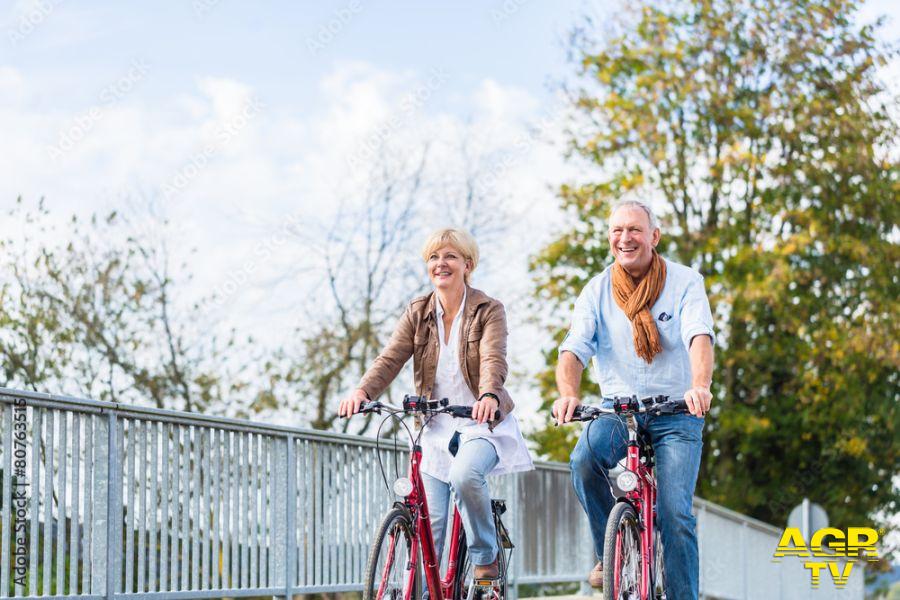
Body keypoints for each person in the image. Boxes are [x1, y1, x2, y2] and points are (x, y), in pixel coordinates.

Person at [339, 228, 533, 578]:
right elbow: (390, 358)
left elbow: (493, 358)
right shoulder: (417, 312)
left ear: (467, 264)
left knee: (465, 476)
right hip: (433, 430)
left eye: (450, 256)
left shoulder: (488, 309)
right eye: (433, 257)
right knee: (431, 529)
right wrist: (362, 392)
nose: (440, 264)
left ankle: (484, 554)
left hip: (480, 424)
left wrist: (489, 394)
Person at [551, 199, 715, 600]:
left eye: (634, 230)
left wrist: (700, 385)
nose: (625, 238)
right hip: (618, 410)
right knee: (583, 460)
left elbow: (699, 335)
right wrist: (569, 394)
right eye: (617, 231)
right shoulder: (597, 289)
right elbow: (574, 348)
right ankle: (610, 551)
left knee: (674, 514)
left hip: (676, 411)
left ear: (654, 237)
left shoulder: (684, 281)